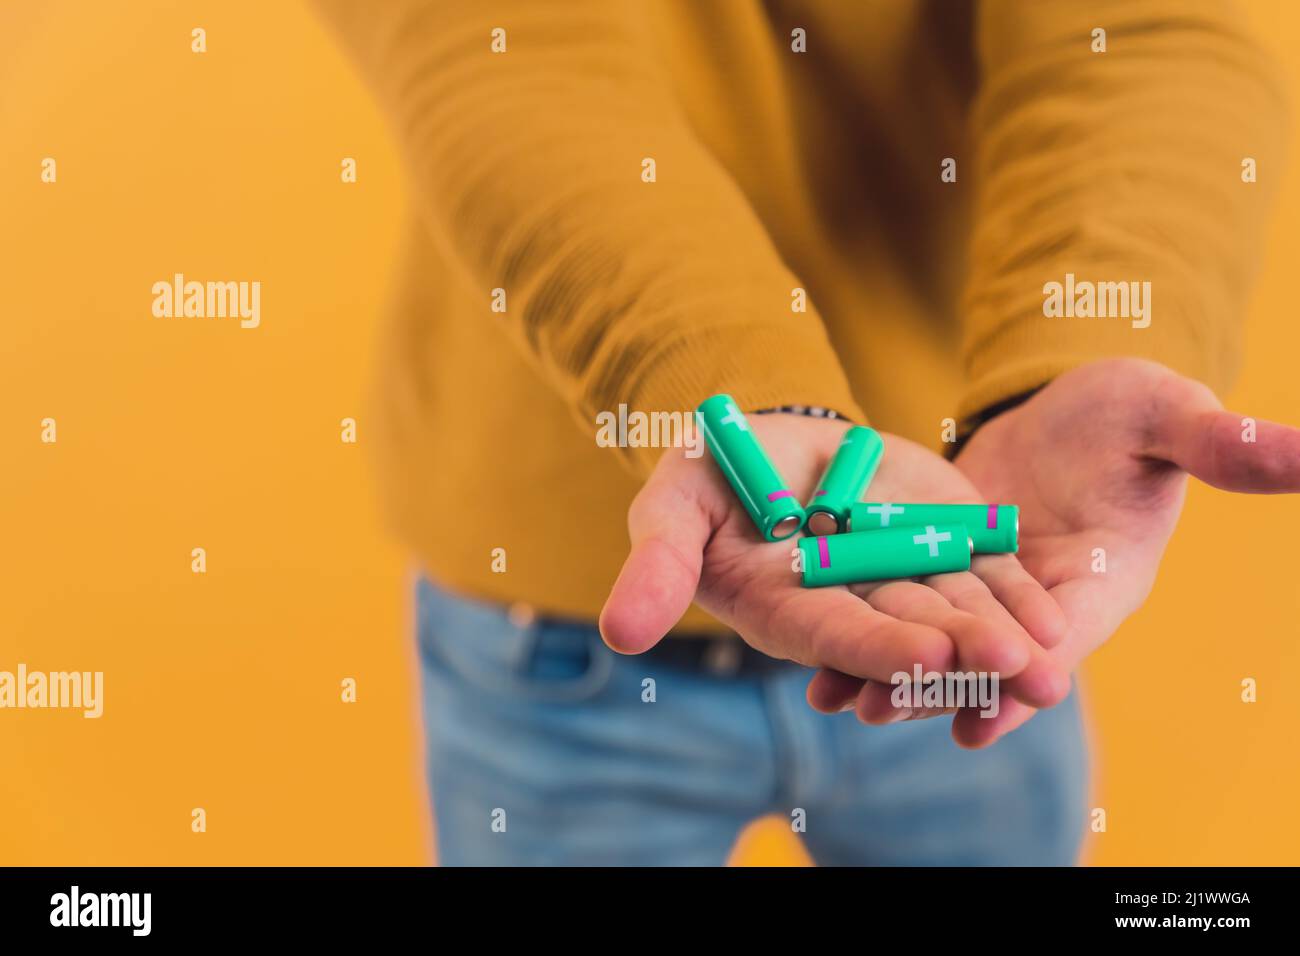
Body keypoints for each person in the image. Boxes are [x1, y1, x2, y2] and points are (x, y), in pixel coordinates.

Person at [313, 0, 1297, 865]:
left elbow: (1132, 32)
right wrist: (734, 388)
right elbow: (511, 57)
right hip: (552, 622)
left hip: (972, 596)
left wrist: (1078, 347)